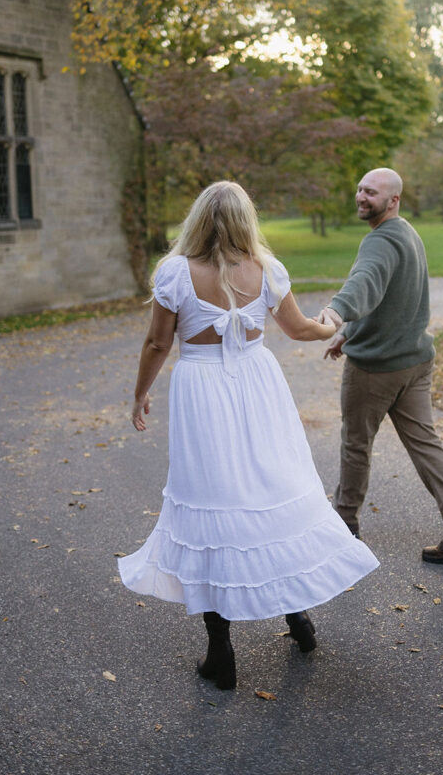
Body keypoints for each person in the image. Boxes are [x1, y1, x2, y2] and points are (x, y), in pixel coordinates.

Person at [118, 181, 378, 691]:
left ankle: (222, 652)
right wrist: (333, 327)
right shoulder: (268, 270)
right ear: (246, 220)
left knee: (215, 500)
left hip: (202, 390)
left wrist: (139, 393)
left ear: (199, 219)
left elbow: (157, 341)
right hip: (259, 387)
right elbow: (301, 329)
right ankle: (298, 619)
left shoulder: (176, 272)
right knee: (271, 493)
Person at [318, 167, 443, 564]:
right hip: (415, 361)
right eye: (360, 188)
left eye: (372, 192)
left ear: (393, 199)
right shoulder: (406, 233)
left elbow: (364, 282)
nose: (362, 197)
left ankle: (343, 525)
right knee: (426, 444)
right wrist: (350, 333)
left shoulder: (379, 243)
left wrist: (336, 313)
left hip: (376, 370)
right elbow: (388, 294)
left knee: (356, 444)